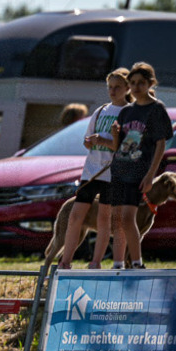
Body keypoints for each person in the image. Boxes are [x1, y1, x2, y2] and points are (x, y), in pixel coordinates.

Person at [56, 69, 131, 270]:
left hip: (111, 173)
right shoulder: (100, 111)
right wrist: (91, 142)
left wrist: (104, 141)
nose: (113, 91)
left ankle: (96, 262)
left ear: (127, 88)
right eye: (110, 87)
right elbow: (87, 140)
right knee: (75, 215)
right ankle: (65, 262)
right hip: (91, 171)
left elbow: (125, 147)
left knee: (104, 218)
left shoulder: (129, 113)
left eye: (117, 87)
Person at [108, 62, 173, 270]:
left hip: (138, 172)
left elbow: (160, 144)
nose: (136, 87)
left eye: (141, 83)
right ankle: (117, 264)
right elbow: (118, 146)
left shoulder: (156, 109)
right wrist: (115, 136)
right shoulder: (127, 111)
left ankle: (136, 262)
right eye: (132, 83)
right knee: (117, 219)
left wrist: (150, 175)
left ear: (150, 83)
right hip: (120, 169)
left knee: (128, 218)